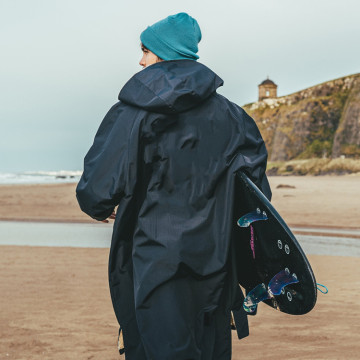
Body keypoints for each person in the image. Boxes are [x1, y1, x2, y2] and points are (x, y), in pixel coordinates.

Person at [76, 12, 271, 360]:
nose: (140, 60)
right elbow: (257, 200)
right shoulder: (235, 118)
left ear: (164, 52)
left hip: (155, 262)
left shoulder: (131, 113)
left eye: (146, 50)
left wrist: (107, 208)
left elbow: (96, 192)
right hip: (218, 265)